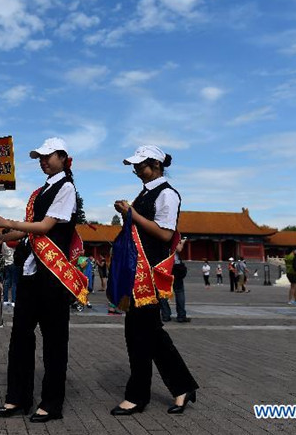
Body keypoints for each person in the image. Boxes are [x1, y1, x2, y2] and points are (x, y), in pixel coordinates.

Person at [0, 137, 86, 423]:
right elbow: (29, 232)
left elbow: (44, 227)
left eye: (47, 156)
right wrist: (2, 237)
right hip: (31, 272)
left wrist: (8, 222)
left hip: (53, 276)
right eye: (40, 157)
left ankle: (52, 403)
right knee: (20, 336)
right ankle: (17, 397)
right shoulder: (40, 191)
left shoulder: (66, 187)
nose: (42, 161)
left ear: (63, 157)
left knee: (55, 341)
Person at [111, 145, 198, 416]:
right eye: (135, 165)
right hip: (137, 272)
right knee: (150, 335)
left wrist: (131, 214)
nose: (137, 169)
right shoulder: (146, 192)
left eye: (141, 165)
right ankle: (183, 386)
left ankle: (138, 396)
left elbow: (164, 233)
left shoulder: (167, 194)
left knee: (140, 334)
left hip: (149, 274)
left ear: (156, 165)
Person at [172, 240, 190, 322]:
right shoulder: (171, 234)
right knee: (179, 291)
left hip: (163, 266)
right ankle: (181, 315)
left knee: (163, 292)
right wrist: (182, 242)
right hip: (175, 266)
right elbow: (178, 249)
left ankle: (165, 314)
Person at [1, 237, 16, 306]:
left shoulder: (4, 243)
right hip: (13, 262)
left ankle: (5, 299)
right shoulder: (14, 242)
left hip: (6, 263)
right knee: (14, 282)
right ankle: (13, 300)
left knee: (6, 281)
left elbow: (3, 253)